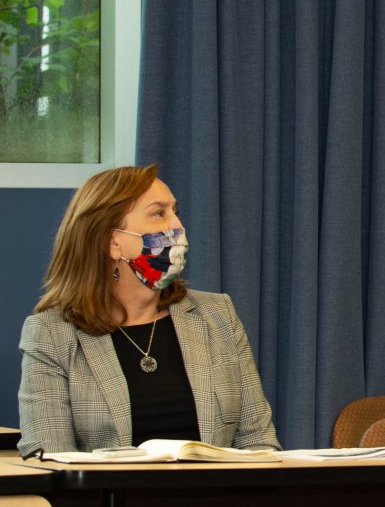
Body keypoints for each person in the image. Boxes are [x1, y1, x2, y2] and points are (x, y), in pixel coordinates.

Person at [17, 165, 280, 455]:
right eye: (158, 214)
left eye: (175, 212)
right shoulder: (51, 334)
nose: (177, 226)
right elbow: (51, 457)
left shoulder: (217, 315)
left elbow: (259, 442)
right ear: (113, 242)